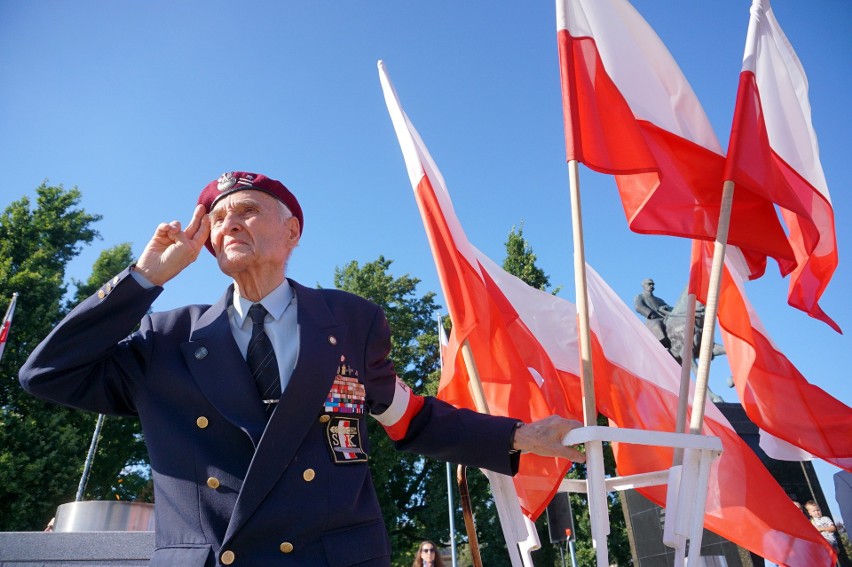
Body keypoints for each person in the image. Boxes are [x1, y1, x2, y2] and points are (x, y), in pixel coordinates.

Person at [20, 171, 585, 566]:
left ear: (292, 232)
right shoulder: (165, 338)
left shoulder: (351, 321)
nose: (230, 224)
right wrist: (143, 279)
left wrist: (520, 434)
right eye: (218, 219)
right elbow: (46, 372)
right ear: (210, 247)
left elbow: (410, 418)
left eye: (247, 211)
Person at [634, 278, 673, 348]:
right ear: (643, 285)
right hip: (653, 320)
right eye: (649, 284)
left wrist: (666, 308)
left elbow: (670, 308)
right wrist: (651, 314)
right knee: (657, 324)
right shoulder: (640, 297)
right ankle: (663, 344)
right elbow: (638, 306)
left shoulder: (659, 300)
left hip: (664, 318)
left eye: (652, 284)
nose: (651, 285)